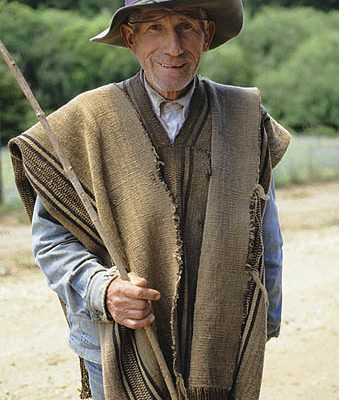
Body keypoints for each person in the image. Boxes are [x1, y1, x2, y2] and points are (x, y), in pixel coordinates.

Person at [9, 0, 291, 399]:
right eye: (155, 27)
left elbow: (266, 238)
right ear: (130, 38)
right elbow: (52, 240)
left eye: (187, 27)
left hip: (220, 346)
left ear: (207, 36)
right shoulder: (88, 122)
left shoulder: (244, 118)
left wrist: (262, 328)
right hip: (118, 346)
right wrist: (102, 291)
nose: (174, 47)